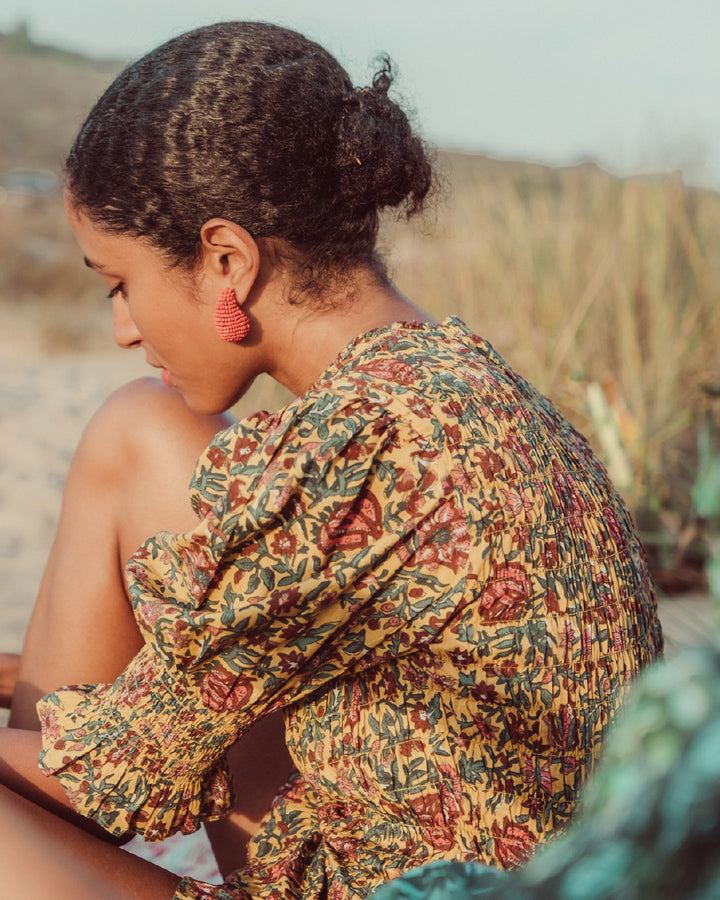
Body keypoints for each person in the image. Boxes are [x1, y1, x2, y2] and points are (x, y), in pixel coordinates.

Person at [0, 20, 663, 900]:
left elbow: (122, 772)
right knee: (139, 429)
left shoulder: (361, 454)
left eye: (119, 283)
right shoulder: (453, 384)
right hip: (492, 853)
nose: (123, 327)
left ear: (227, 260)